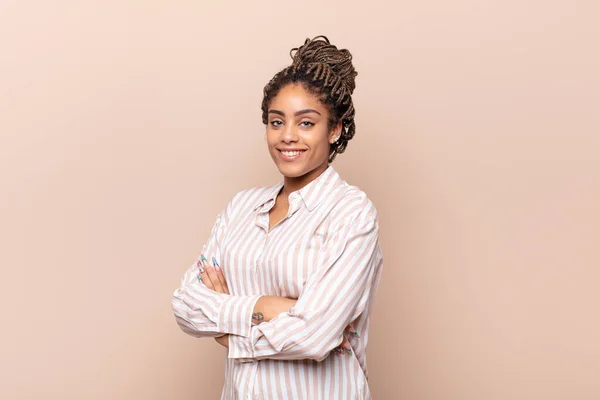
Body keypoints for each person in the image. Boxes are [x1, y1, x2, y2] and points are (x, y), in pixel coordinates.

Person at [171, 35, 383, 400]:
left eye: (306, 123)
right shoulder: (240, 208)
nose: (287, 137)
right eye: (275, 121)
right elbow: (186, 304)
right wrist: (264, 307)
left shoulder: (351, 213)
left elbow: (314, 336)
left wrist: (225, 325)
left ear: (334, 130)